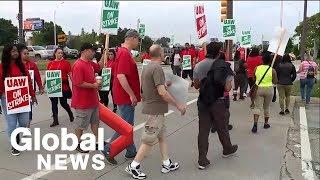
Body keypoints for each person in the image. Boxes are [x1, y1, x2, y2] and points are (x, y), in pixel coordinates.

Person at [125, 45, 186, 179]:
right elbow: (162, 93)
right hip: (156, 111)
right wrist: (178, 105)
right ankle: (134, 166)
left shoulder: (147, 67)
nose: (165, 54)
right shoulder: (157, 68)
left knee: (162, 136)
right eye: (163, 52)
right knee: (148, 140)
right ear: (160, 54)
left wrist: (165, 85)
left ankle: (166, 162)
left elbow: (151, 87)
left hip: (154, 108)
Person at [193, 42, 238, 170]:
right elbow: (228, 88)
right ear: (219, 52)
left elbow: (196, 85)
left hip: (203, 101)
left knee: (203, 130)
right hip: (218, 101)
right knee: (222, 126)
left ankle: (202, 159)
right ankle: (227, 149)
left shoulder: (198, 65)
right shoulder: (223, 66)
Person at [102, 30, 141, 165]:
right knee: (125, 127)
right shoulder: (124, 53)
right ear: (132, 38)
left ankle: (131, 151)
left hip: (122, 95)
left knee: (126, 125)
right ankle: (108, 148)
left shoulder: (123, 52)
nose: (138, 42)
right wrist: (131, 94)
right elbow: (121, 76)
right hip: (125, 96)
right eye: (138, 39)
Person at [0, 44, 36, 156]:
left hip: (23, 98)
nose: (15, 53)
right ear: (7, 53)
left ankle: (17, 135)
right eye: (13, 51)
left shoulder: (21, 66)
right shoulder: (2, 67)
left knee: (24, 122)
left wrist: (33, 95)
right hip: (7, 99)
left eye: (16, 51)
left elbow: (28, 81)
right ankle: (15, 144)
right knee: (12, 124)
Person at [71, 43, 102, 153]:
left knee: (95, 122)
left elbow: (97, 71)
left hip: (93, 100)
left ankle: (98, 142)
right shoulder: (78, 65)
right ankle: (78, 143)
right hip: (82, 102)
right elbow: (78, 83)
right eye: (92, 51)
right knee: (80, 124)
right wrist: (93, 85)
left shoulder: (90, 64)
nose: (93, 53)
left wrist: (97, 84)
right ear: (84, 51)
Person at [45, 48, 74, 127]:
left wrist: (74, 83)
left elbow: (70, 74)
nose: (60, 54)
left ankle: (70, 113)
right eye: (58, 53)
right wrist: (43, 84)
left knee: (63, 103)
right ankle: (55, 120)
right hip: (53, 86)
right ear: (55, 54)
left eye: (61, 53)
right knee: (54, 104)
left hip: (63, 86)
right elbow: (47, 75)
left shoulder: (66, 63)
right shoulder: (50, 64)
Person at [18, 44, 44, 127]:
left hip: (30, 91)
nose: (26, 55)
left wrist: (40, 87)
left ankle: (27, 126)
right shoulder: (17, 65)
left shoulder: (33, 65)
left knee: (29, 109)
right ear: (20, 54)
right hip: (19, 91)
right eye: (24, 54)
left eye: (27, 53)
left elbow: (37, 77)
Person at [251, 52, 278, 133]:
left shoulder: (257, 68)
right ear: (270, 61)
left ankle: (255, 124)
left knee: (257, 107)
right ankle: (266, 123)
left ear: (262, 60)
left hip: (259, 88)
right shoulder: (272, 70)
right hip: (269, 89)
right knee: (266, 107)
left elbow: (253, 79)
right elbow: (275, 81)